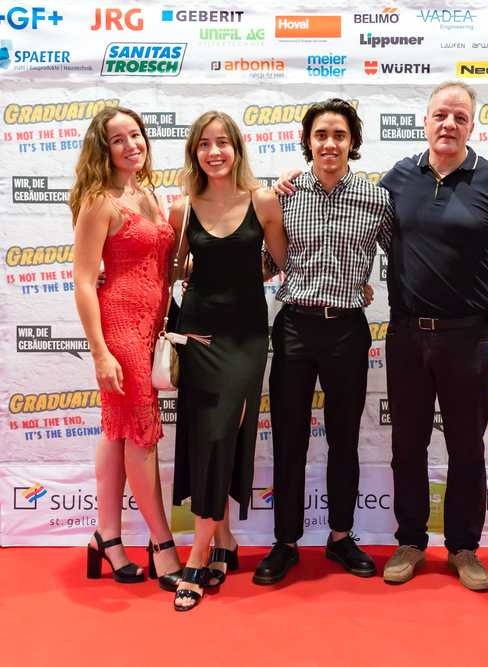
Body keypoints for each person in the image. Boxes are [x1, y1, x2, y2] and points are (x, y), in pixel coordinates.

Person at [380, 82, 488, 590]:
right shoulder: (396, 179)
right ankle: (410, 541)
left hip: (470, 337)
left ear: (472, 126)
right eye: (441, 114)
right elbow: (344, 207)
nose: (449, 124)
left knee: (467, 447)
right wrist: (293, 181)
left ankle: (463, 547)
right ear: (425, 121)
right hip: (406, 335)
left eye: (460, 117)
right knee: (406, 445)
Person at [253, 98, 393, 586]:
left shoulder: (377, 199)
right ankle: (285, 541)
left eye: (339, 135)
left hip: (348, 330)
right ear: (307, 141)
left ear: (352, 142)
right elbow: (265, 264)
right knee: (289, 438)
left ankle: (340, 536)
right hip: (294, 325)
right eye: (320, 135)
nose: (329, 143)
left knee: (344, 439)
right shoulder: (284, 196)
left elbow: (405, 259)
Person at [168, 111, 286, 611]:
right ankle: (224, 540)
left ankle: (196, 556)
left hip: (246, 336)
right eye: (204, 144)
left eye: (222, 143)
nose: (214, 152)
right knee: (211, 438)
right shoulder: (182, 208)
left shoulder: (262, 201)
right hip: (198, 334)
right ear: (194, 152)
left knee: (221, 432)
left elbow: (282, 262)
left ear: (237, 148)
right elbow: (169, 272)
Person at [71, 106, 182, 589]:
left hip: (152, 327)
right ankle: (162, 544)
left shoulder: (149, 193)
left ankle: (107, 538)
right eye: (118, 139)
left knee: (117, 431)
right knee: (141, 433)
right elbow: (82, 280)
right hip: (119, 329)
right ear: (104, 149)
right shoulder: (100, 202)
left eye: (135, 135)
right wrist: (100, 352)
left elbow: (162, 263)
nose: (131, 145)